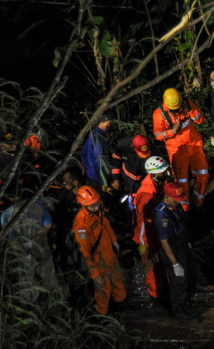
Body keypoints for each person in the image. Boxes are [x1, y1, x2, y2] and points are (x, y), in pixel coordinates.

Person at [73, 185, 127, 315]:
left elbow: (106, 225)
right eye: (93, 206)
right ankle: (102, 318)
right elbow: (85, 252)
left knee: (118, 281)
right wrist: (94, 273)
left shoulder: (98, 207)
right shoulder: (81, 223)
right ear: (83, 206)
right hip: (98, 260)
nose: (97, 208)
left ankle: (121, 309)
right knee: (103, 290)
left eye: (97, 204)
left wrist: (114, 241)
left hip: (109, 254)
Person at [152, 88, 209, 209]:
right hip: (177, 150)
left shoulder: (187, 104)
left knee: (203, 174)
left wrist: (191, 111)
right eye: (174, 109)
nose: (177, 110)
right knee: (181, 181)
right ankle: (184, 208)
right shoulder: (159, 114)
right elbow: (157, 135)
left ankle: (198, 202)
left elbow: (200, 120)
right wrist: (172, 131)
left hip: (194, 145)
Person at [152, 182, 199, 320]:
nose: (178, 202)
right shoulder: (161, 215)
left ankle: (187, 301)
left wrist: (188, 243)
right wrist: (174, 263)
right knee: (179, 280)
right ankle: (179, 310)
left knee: (191, 273)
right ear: (166, 196)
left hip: (183, 245)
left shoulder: (175, 206)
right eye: (175, 199)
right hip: (172, 250)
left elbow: (182, 224)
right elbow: (164, 242)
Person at [0, 193, 59, 302]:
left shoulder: (6, 214)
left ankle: (30, 305)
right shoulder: (38, 205)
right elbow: (48, 225)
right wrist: (36, 239)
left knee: (27, 280)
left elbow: (13, 240)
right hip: (40, 245)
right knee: (48, 274)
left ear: (7, 196)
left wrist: (25, 254)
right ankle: (55, 300)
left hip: (22, 250)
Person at [132, 156, 172, 300]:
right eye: (163, 172)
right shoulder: (147, 194)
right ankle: (155, 295)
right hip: (147, 237)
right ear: (154, 174)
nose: (166, 174)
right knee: (151, 267)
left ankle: (164, 288)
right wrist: (143, 242)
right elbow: (141, 221)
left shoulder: (157, 186)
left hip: (156, 233)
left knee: (160, 263)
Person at [81, 110, 114, 190]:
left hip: (91, 176)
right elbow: (100, 161)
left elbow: (83, 152)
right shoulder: (98, 138)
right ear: (108, 123)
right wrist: (104, 182)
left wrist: (88, 168)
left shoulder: (94, 133)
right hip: (98, 180)